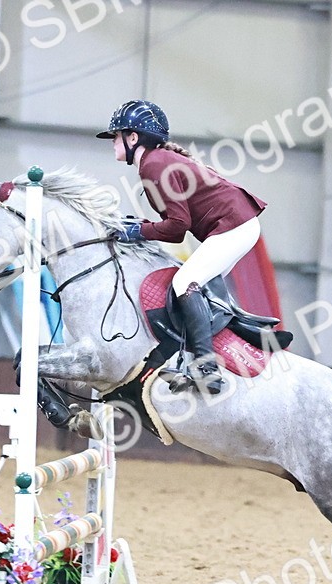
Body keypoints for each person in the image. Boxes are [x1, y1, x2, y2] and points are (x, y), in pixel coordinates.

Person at [97, 99, 266, 395]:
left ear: (133, 138)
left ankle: (206, 368)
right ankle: (194, 360)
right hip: (237, 225)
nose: (113, 143)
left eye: (116, 136)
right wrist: (140, 226)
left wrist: (137, 231)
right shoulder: (156, 162)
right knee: (197, 285)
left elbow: (177, 228)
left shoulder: (153, 165)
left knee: (185, 282)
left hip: (235, 226)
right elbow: (175, 224)